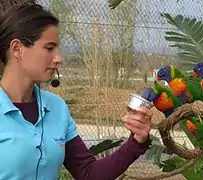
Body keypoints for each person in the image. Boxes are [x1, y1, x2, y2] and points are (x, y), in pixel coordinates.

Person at [0, 1, 153, 180]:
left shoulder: (56, 108)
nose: (59, 58)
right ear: (17, 49)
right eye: (49, 48)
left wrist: (136, 142)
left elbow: (88, 173)